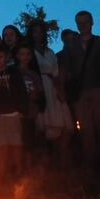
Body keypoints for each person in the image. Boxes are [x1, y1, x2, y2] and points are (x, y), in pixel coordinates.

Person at [59, 11, 100, 169]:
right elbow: (63, 69)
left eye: (85, 21)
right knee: (86, 128)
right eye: (79, 22)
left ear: (91, 22)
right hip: (81, 91)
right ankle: (92, 163)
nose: (82, 25)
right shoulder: (70, 45)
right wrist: (62, 90)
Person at [28, 22, 72, 167]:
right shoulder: (30, 53)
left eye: (40, 31)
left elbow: (57, 72)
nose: (37, 34)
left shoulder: (50, 52)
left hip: (53, 87)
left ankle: (63, 160)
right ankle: (47, 163)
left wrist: (60, 89)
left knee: (63, 125)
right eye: (35, 31)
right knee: (45, 126)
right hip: (41, 87)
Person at [0, 44, 29, 177]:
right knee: (1, 147)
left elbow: (22, 92)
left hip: (13, 114)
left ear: (6, 58)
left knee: (16, 145)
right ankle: (3, 174)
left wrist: (22, 110)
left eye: (0, 57)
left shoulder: (14, 73)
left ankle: (19, 173)